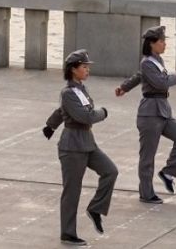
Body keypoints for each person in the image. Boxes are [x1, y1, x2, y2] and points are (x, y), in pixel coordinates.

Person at [115, 25, 176, 204]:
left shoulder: (157, 61)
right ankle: (146, 193)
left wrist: (124, 87)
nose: (165, 44)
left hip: (163, 110)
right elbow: (159, 83)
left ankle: (168, 172)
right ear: (152, 44)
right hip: (150, 113)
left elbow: (138, 76)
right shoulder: (147, 62)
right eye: (162, 41)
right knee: (147, 156)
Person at [53, 50, 117, 246]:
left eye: (88, 67)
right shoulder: (68, 93)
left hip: (87, 142)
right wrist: (103, 113)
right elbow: (86, 116)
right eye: (84, 67)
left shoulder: (81, 89)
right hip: (72, 146)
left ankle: (95, 208)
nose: (87, 70)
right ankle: (68, 233)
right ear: (73, 70)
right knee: (72, 191)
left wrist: (50, 125)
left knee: (110, 171)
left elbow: (72, 113)